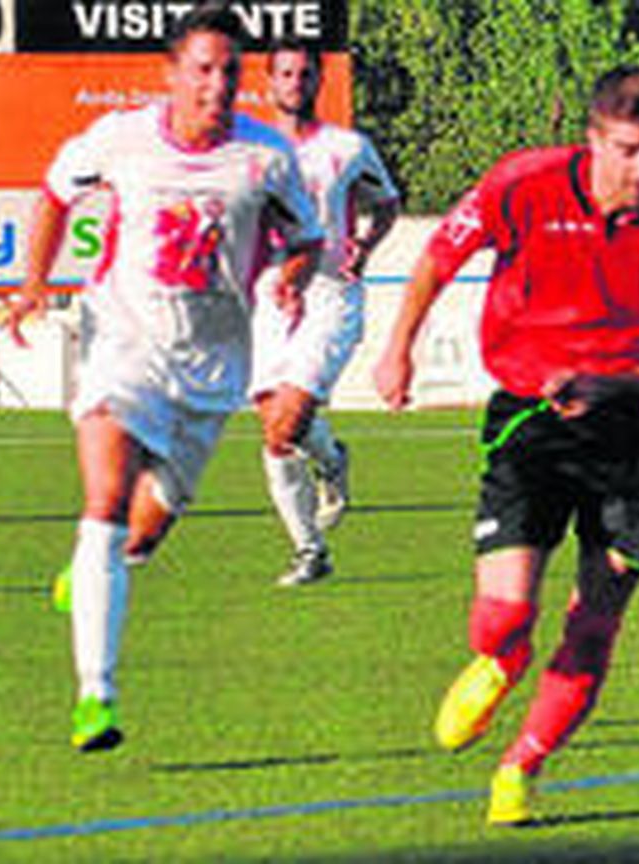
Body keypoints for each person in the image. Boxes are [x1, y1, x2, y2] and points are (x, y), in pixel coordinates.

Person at [371, 66, 639, 827]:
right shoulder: (521, 184)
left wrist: (604, 384)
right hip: (530, 416)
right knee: (505, 618)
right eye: (628, 150)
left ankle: (521, 767)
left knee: (594, 622)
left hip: (638, 433)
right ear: (592, 140)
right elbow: (437, 257)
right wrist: (398, 345)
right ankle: (501, 659)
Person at [4, 2, 322, 752]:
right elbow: (54, 194)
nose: (217, 85)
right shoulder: (121, 139)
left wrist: (293, 276)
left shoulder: (266, 157)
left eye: (229, 72)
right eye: (203, 69)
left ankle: (92, 575)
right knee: (106, 502)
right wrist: (31, 285)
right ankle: (96, 697)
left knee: (143, 532)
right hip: (123, 344)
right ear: (173, 74)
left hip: (211, 368)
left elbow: (304, 237)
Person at [250, 37, 401, 586]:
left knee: (290, 416)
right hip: (268, 296)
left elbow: (386, 201)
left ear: (319, 81)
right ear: (270, 83)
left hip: (331, 293)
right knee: (274, 431)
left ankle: (331, 462)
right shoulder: (248, 150)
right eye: (284, 74)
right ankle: (310, 548)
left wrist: (368, 242)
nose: (294, 83)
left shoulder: (347, 147)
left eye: (304, 74)